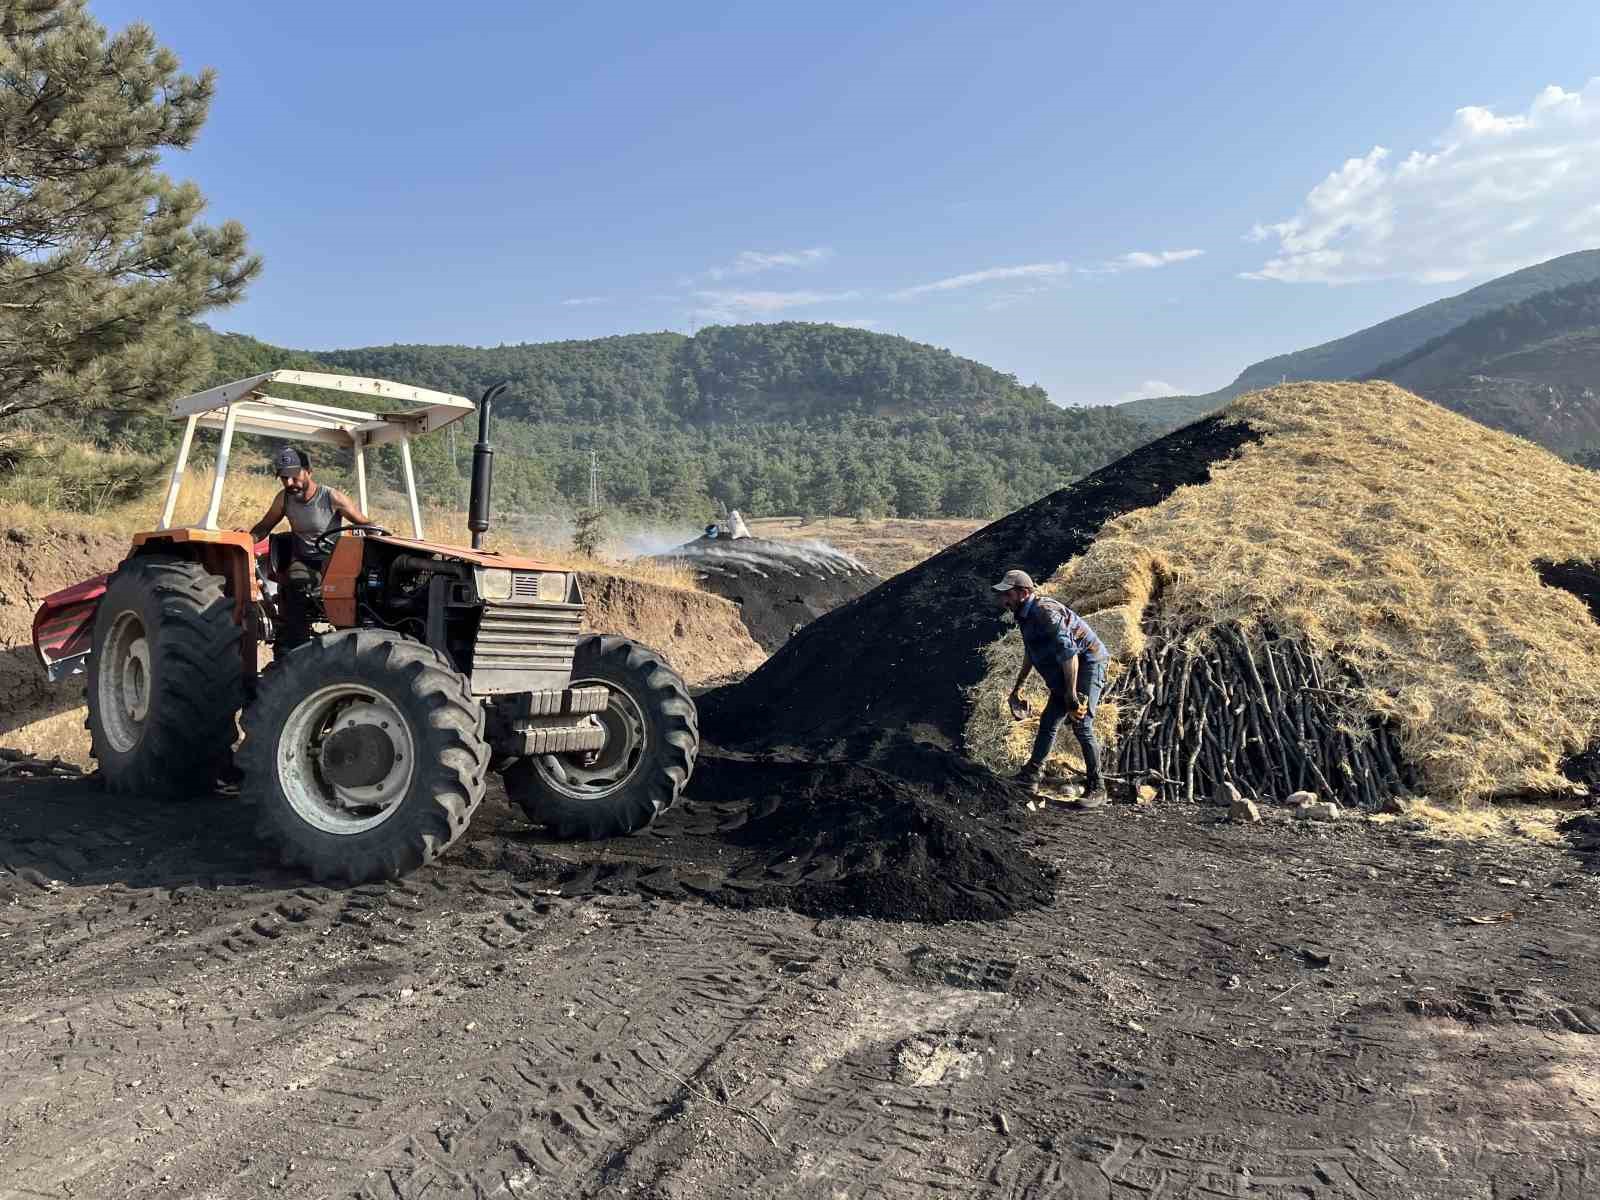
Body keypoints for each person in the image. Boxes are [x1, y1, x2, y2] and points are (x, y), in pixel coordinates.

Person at [991, 568, 1111, 806]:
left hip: (1088, 663)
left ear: (1023, 593)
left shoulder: (1045, 613)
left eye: (1008, 594)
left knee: (1081, 723)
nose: (1003, 599)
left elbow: (1070, 654)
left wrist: (1071, 694)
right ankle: (1031, 777)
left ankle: (1098, 787)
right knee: (1048, 722)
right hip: (1067, 666)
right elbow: (1031, 652)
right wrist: (1017, 689)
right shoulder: (1024, 616)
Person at [244, 446, 373, 648]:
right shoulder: (284, 499)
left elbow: (365, 524)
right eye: (283, 478)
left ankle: (351, 643)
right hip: (303, 560)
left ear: (309, 472)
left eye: (293, 476)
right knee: (297, 582)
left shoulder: (332, 497)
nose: (289, 482)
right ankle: (296, 647)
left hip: (332, 560)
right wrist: (246, 539)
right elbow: (264, 526)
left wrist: (376, 535)